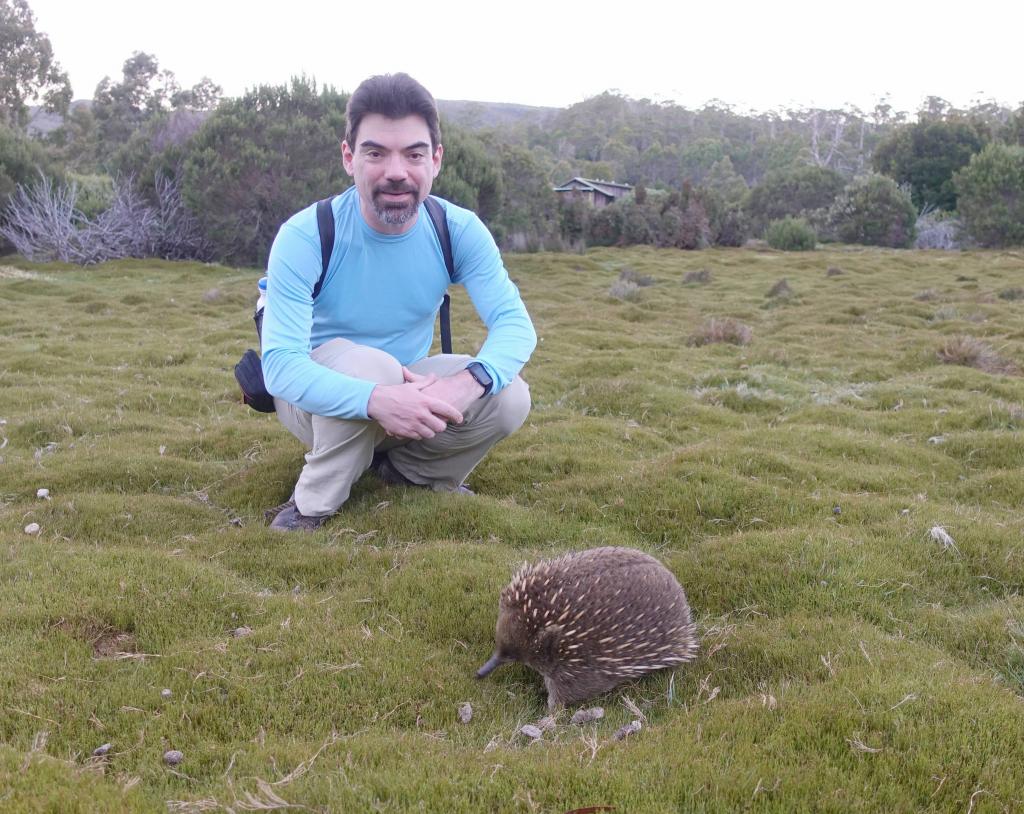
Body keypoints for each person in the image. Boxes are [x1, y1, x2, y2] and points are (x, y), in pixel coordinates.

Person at [260, 73, 536, 532]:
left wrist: (465, 384)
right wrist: (376, 398)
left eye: (413, 154)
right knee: (374, 369)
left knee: (508, 395)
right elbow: (281, 367)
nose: (395, 171)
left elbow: (514, 325)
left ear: (436, 160)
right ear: (349, 158)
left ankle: (411, 473)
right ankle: (310, 507)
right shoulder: (307, 234)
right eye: (375, 152)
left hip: (407, 386)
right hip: (313, 398)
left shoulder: (457, 229)